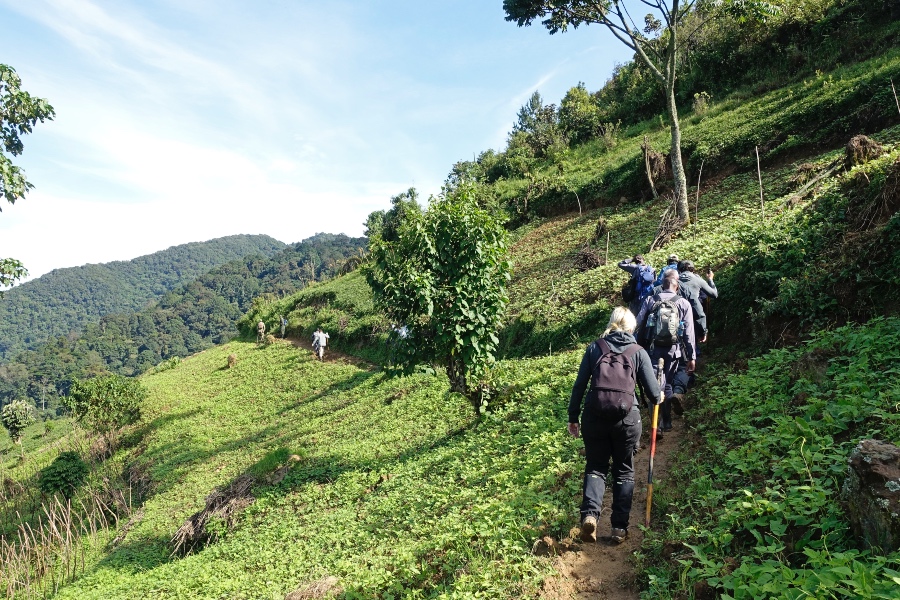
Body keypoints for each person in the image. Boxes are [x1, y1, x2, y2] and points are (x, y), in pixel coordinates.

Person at [568, 307, 662, 544]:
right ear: (632, 328)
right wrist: (660, 390)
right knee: (624, 470)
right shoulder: (638, 352)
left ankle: (590, 515)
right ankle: (619, 528)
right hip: (627, 421)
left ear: (611, 324)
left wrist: (573, 417)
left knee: (596, 468)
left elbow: (579, 386)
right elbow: (654, 395)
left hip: (594, 416)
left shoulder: (595, 348)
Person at [635, 270, 696, 433]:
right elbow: (689, 334)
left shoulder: (650, 300)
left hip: (652, 350)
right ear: (677, 288)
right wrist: (691, 357)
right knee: (667, 384)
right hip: (673, 351)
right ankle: (666, 422)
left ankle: (656, 427)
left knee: (654, 385)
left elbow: (637, 323)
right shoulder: (683, 304)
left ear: (661, 287)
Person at [677, 260, 718, 344]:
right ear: (693, 269)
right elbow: (714, 294)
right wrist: (710, 279)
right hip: (694, 314)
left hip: (675, 315)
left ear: (679, 270)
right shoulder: (698, 280)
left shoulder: (673, 281)